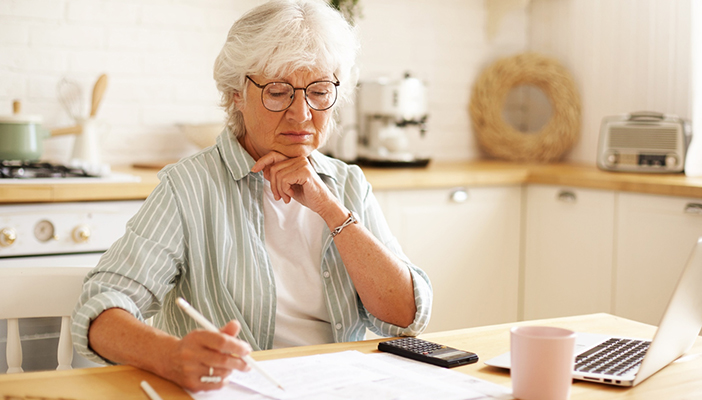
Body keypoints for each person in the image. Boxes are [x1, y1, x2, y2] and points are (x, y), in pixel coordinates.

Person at [71, 0, 432, 392]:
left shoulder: (347, 184)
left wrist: (330, 210)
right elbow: (100, 311)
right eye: (278, 92)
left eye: (319, 91)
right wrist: (171, 357)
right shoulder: (190, 186)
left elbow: (406, 316)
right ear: (236, 94)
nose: (301, 113)